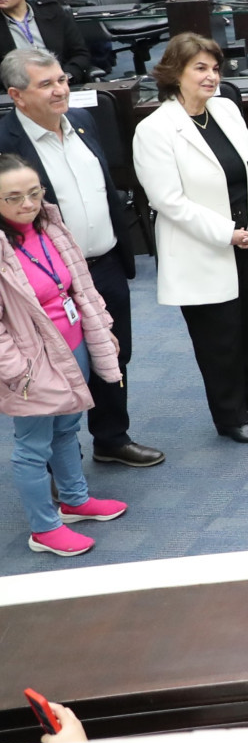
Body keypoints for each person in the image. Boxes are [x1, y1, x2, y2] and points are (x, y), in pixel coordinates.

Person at [0, 45, 159, 469]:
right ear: (17, 96)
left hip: (102, 266)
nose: (60, 90)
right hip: (44, 281)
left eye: (62, 80)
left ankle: (111, 438)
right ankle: (56, 462)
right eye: (46, 84)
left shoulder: (84, 121)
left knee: (113, 352)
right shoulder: (4, 142)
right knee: (51, 368)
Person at [131, 33, 248, 443]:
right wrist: (226, 234)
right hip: (203, 248)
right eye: (200, 68)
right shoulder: (154, 129)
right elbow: (168, 201)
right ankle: (229, 415)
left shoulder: (226, 109)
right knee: (219, 340)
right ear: (175, 73)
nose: (212, 76)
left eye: (215, 68)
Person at [0, 152, 128, 557]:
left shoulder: (50, 224)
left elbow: (79, 285)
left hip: (73, 344)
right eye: (13, 197)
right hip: (31, 362)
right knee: (32, 448)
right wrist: (18, 370)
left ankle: (74, 500)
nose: (27, 204)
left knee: (67, 429)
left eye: (34, 192)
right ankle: (43, 529)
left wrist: (100, 330)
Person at [0, 0, 92, 82]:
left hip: (63, 83)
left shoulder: (53, 12)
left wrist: (66, 77)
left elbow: (80, 54)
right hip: (18, 88)